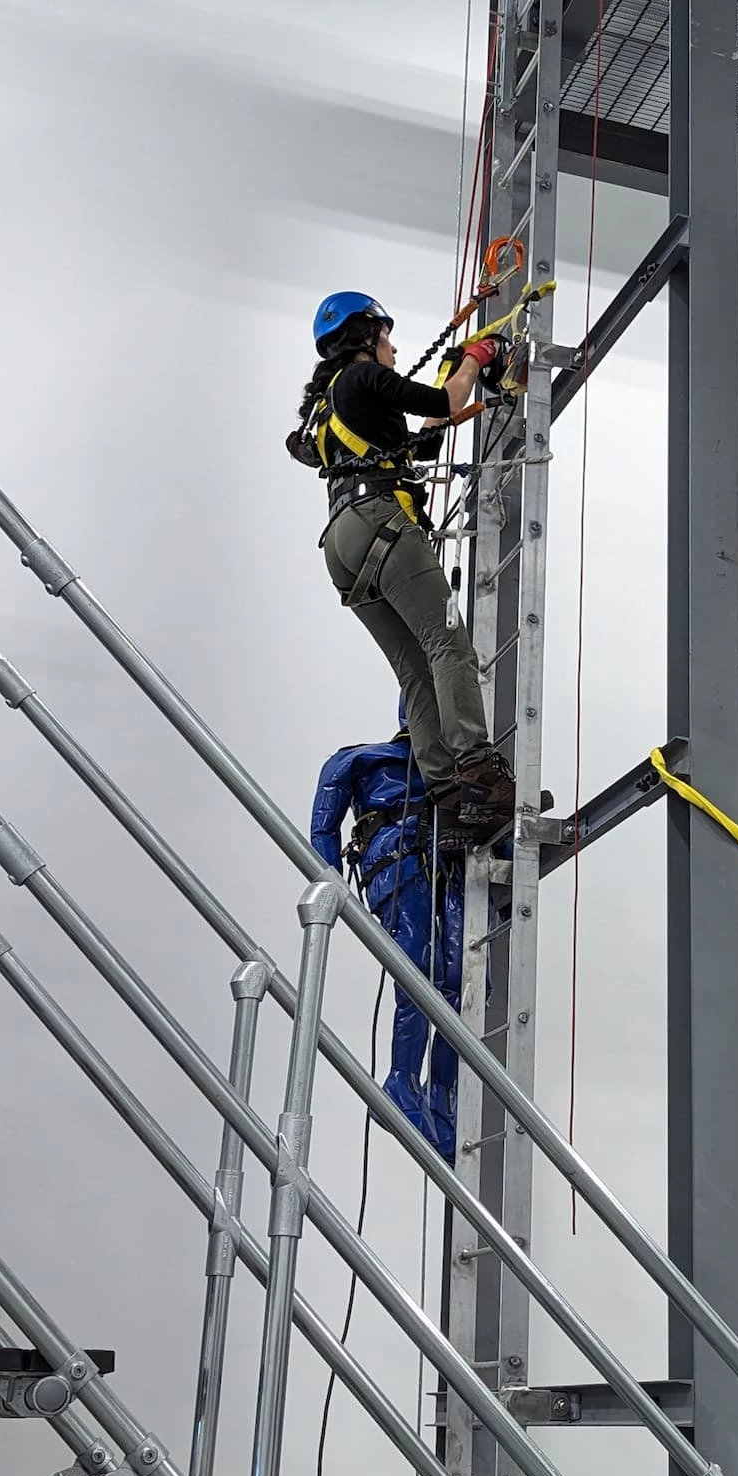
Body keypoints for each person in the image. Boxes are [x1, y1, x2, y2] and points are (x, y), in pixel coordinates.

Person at [289, 288, 514, 839]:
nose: (392, 347)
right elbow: (446, 403)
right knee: (448, 643)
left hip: (343, 542)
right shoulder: (361, 379)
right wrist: (475, 359)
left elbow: (416, 448)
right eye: (386, 336)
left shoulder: (329, 407)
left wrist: (447, 386)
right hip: (380, 522)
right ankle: (477, 769)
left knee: (414, 667)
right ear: (366, 336)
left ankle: (447, 794)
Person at [310, 706, 464, 1162]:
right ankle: (402, 1080)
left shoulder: (457, 774)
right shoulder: (360, 760)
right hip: (396, 861)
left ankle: (441, 1094)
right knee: (417, 967)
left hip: (449, 865)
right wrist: (333, 885)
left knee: (466, 979)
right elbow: (322, 828)